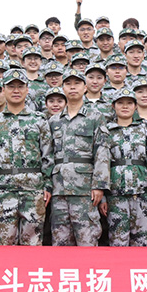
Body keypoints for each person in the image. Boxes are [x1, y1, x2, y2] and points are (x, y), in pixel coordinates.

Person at [0, 69, 53, 246]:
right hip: (4, 189)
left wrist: (47, 185)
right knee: (5, 243)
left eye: (20, 86)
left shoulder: (39, 120)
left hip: (33, 189)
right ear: (3, 90)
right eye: (11, 87)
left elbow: (47, 155)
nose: (16, 91)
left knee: (32, 244)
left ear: (27, 89)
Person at [48, 69, 110, 246]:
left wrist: (99, 185)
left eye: (77, 83)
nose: (72, 87)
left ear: (85, 88)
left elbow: (102, 152)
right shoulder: (54, 121)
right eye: (68, 84)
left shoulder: (95, 117)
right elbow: (48, 155)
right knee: (60, 241)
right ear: (63, 89)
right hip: (59, 189)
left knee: (87, 240)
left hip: (85, 190)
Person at [104, 88, 147, 246]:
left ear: (135, 106)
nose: (125, 106)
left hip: (141, 194)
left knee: (142, 242)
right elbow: (102, 165)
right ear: (113, 106)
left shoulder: (144, 130)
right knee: (118, 242)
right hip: (116, 195)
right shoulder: (107, 131)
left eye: (129, 103)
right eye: (120, 103)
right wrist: (104, 197)